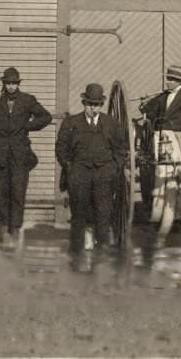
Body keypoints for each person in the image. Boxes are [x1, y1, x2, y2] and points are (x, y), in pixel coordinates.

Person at [56, 83, 126, 266]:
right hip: (79, 174)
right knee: (79, 215)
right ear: (83, 103)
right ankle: (76, 254)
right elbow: (61, 149)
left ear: (101, 105)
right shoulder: (71, 123)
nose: (92, 108)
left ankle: (101, 255)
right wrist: (70, 167)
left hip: (104, 175)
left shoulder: (111, 124)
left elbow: (121, 149)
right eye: (89, 104)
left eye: (96, 104)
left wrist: (113, 169)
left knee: (103, 214)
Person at [0, 66, 52, 249]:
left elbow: (46, 117)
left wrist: (28, 126)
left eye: (14, 83)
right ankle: (5, 227)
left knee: (18, 192)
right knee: (1, 192)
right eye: (8, 83)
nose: (11, 86)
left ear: (18, 84)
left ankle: (15, 229)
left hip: (20, 154)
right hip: (0, 154)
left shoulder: (28, 100)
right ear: (4, 84)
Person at [140, 64, 181, 131]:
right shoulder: (163, 96)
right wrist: (144, 103)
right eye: (167, 79)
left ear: (179, 81)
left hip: (179, 138)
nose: (167, 82)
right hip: (160, 137)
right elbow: (149, 114)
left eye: (170, 80)